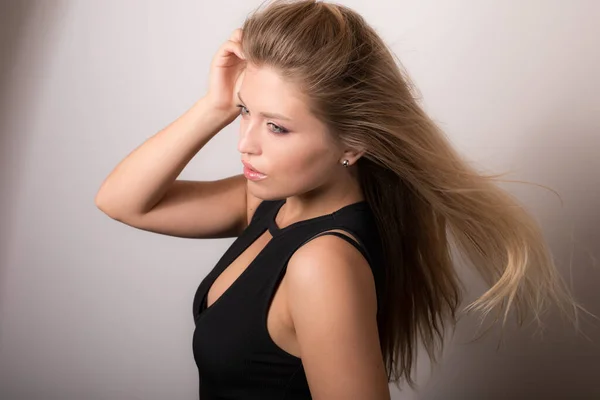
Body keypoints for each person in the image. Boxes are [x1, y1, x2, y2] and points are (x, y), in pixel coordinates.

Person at [95, 1, 583, 399]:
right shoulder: (270, 203)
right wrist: (214, 106)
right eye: (246, 112)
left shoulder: (322, 262)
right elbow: (122, 201)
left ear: (352, 143)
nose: (246, 141)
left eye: (277, 126)